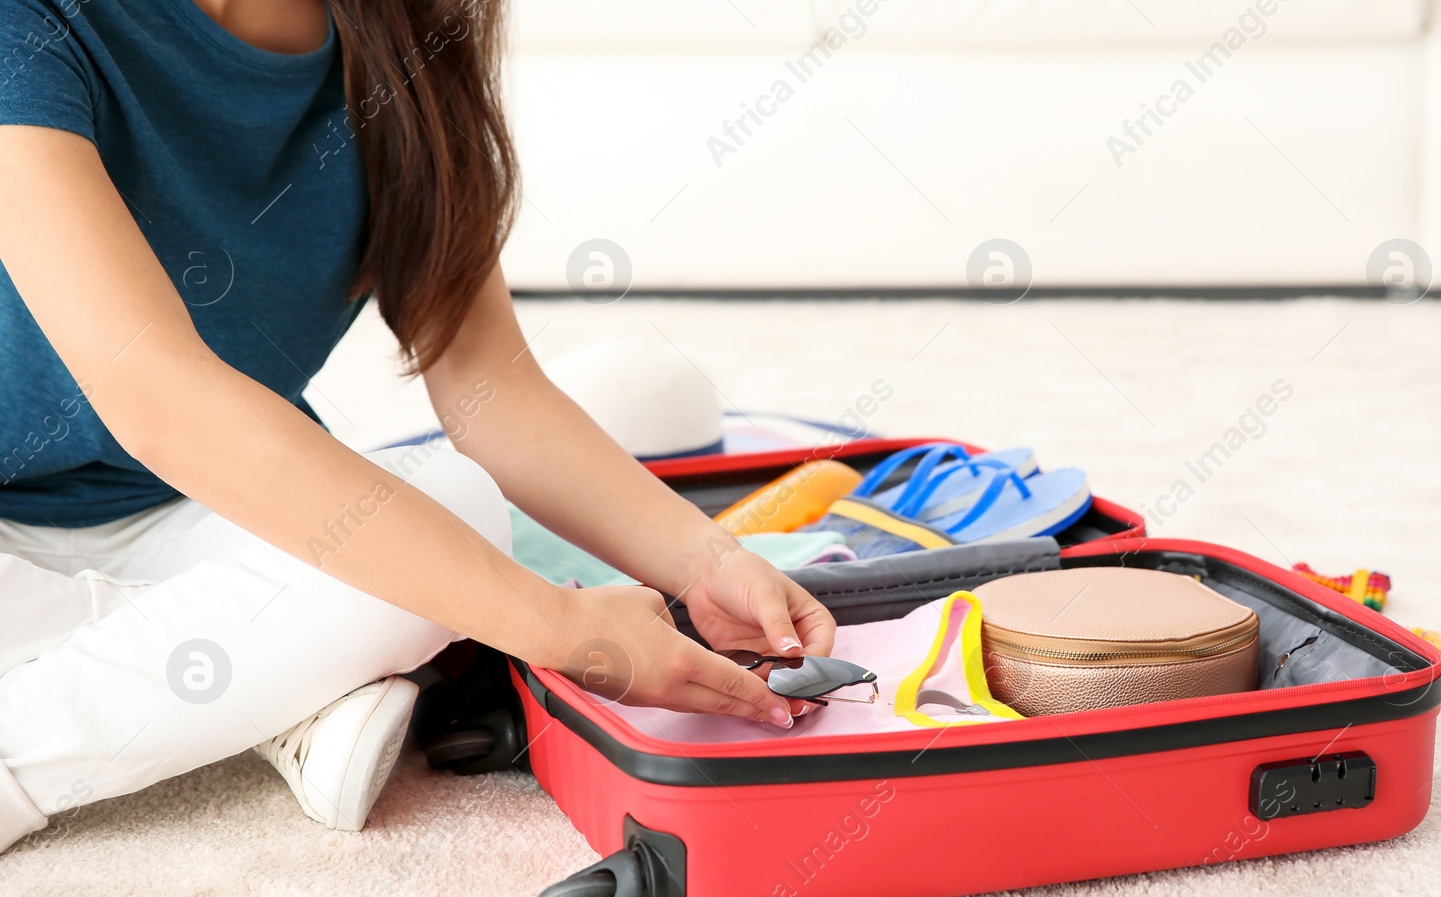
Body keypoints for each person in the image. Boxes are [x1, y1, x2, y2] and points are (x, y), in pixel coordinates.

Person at [0, 0, 834, 850]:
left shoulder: (402, 43)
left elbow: (492, 387)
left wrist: (708, 562)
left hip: (196, 513)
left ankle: (246, 685)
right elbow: (159, 400)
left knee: (457, 512)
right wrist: (558, 626)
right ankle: (219, 710)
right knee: (465, 593)